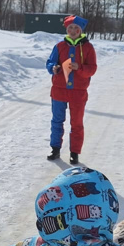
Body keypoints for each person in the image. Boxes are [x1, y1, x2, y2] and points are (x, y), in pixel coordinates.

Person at [45, 15, 97, 164]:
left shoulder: (88, 47)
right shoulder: (60, 46)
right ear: (67, 30)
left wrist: (79, 68)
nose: (73, 31)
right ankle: (55, 148)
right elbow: (50, 62)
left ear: (81, 30)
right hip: (59, 90)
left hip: (78, 92)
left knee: (76, 123)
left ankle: (75, 152)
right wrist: (53, 68)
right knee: (57, 120)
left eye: (76, 28)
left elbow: (92, 69)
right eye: (70, 28)